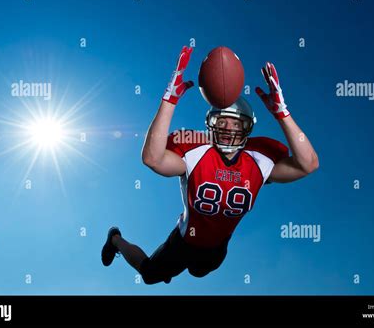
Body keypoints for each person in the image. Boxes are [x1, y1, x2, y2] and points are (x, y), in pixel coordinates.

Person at [101, 46, 319, 284]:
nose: (228, 129)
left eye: (236, 124)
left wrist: (282, 113)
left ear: (247, 128)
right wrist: (169, 100)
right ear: (211, 124)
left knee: (199, 272)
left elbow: (308, 164)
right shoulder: (196, 152)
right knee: (151, 275)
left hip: (217, 249)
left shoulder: (258, 161)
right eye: (222, 121)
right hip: (184, 242)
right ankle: (115, 239)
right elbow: (152, 158)